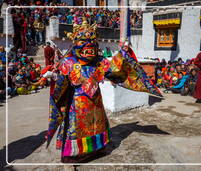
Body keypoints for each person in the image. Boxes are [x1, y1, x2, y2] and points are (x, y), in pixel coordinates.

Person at [45, 22, 162, 166]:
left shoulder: (100, 62)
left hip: (96, 102)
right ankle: (74, 155)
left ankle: (97, 149)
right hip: (76, 106)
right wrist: (56, 81)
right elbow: (60, 86)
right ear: (76, 45)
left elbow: (115, 71)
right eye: (84, 45)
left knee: (97, 125)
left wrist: (123, 54)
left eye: (92, 45)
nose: (89, 50)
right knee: (76, 129)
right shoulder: (68, 62)